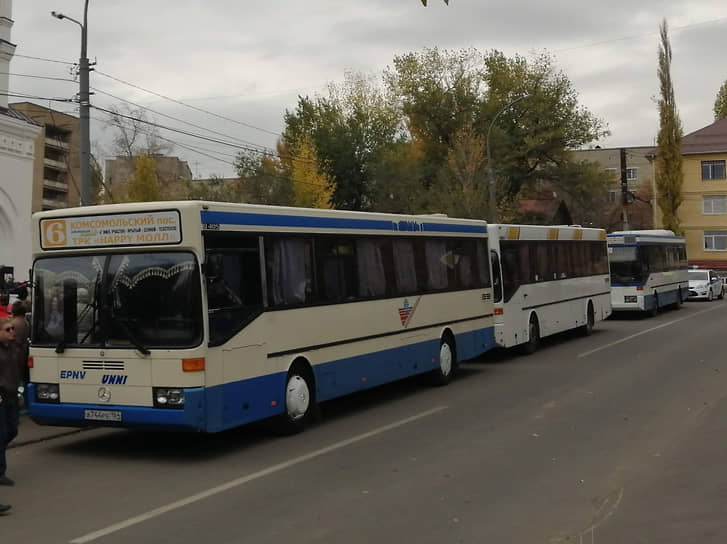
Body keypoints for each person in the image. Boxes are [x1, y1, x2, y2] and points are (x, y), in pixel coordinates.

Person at [0, 317, 22, 486]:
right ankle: (1, 473)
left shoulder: (15, 347)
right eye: (7, 329)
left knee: (12, 430)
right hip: (1, 396)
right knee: (1, 434)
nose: (11, 332)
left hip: (13, 395)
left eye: (12, 328)